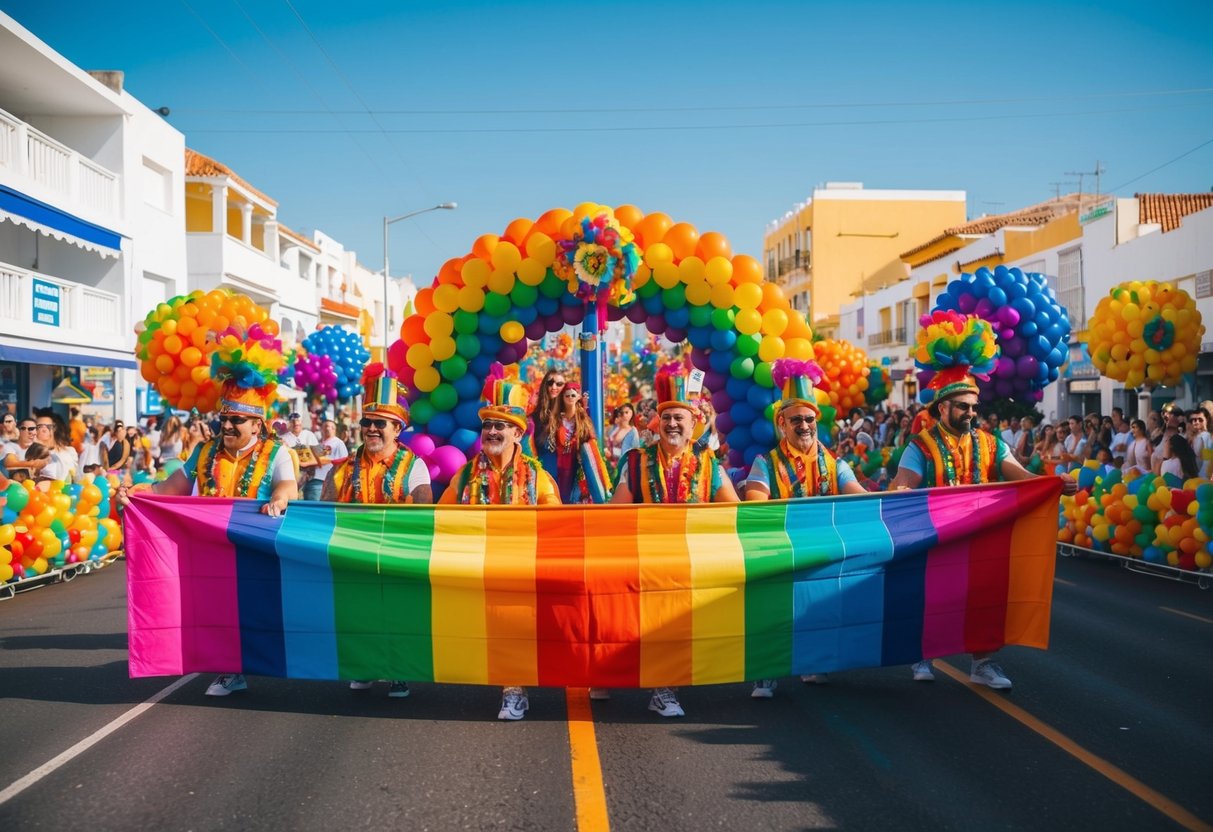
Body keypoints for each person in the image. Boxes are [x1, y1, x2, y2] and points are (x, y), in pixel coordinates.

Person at [116, 340, 297, 698]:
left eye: (236, 420)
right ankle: (230, 670)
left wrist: (278, 499)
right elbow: (171, 488)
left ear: (257, 425)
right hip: (207, 546)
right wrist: (137, 492)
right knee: (215, 610)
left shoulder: (278, 453)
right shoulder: (203, 451)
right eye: (224, 418)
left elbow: (287, 486)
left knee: (256, 613)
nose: (227, 425)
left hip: (255, 545)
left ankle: (257, 661)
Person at [889, 364, 1076, 690]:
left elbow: (1023, 478)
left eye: (974, 407)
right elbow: (903, 483)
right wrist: (901, 491)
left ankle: (983, 663)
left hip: (980, 536)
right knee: (932, 597)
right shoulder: (919, 446)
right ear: (942, 408)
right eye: (963, 406)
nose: (970, 413)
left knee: (985, 599)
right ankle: (923, 654)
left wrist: (1054, 483)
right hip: (934, 536)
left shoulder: (991, 443)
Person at [610, 363, 739, 717]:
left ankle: (664, 688)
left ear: (693, 424)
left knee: (676, 626)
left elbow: (734, 510)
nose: (672, 425)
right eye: (666, 418)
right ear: (657, 423)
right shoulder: (635, 462)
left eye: (679, 418)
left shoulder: (709, 464)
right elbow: (615, 512)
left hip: (690, 559)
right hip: (645, 557)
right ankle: (621, 675)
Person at [440, 371, 560, 720]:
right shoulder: (464, 475)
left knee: (514, 630)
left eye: (500, 426)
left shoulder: (538, 476)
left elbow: (553, 519)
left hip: (520, 567)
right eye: (488, 425)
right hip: (476, 566)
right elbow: (441, 518)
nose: (492, 432)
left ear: (518, 433)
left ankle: (514, 690)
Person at [745, 359, 865, 694]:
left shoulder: (835, 464)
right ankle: (766, 670)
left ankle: (813, 662)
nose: (805, 425)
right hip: (779, 550)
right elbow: (756, 500)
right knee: (772, 612)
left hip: (820, 551)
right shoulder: (764, 462)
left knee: (819, 608)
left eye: (809, 418)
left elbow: (858, 496)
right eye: (796, 419)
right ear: (781, 423)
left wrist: (893, 498)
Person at [323, 369, 430, 698]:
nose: (371, 428)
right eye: (367, 422)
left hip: (394, 554)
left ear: (396, 429)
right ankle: (365, 666)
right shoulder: (341, 468)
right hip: (352, 555)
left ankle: (399, 670)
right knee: (358, 615)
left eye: (379, 423)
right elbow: (324, 510)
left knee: (396, 615)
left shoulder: (415, 467)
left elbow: (424, 514)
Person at [535, 381, 611, 504]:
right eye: (567, 395)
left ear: (578, 397)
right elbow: (547, 440)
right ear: (562, 398)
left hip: (576, 464)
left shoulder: (583, 419)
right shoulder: (556, 419)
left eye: (573, 395)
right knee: (557, 493)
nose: (570, 398)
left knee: (574, 496)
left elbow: (590, 440)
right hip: (558, 463)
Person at [281, 411, 320, 498]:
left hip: (312, 477)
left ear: (301, 422)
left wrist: (306, 463)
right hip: (292, 475)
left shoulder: (309, 434)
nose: (296, 423)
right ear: (289, 424)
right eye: (293, 421)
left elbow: (320, 455)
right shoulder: (284, 438)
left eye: (298, 421)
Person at [311, 418, 348, 500]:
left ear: (334, 430)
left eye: (331, 427)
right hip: (315, 480)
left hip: (327, 481)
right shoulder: (319, 444)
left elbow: (344, 462)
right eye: (325, 426)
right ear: (321, 429)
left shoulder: (339, 443)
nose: (328, 428)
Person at [604, 403, 641, 469]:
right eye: (622, 413)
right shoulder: (616, 429)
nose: (624, 415)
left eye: (627, 412)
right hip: (612, 466)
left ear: (631, 414)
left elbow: (635, 451)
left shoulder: (633, 431)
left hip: (625, 468)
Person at [1186, 409, 1212, 479]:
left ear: (1207, 420)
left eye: (1200, 420)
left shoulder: (1206, 436)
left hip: (1203, 477)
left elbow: (1207, 459)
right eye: (1194, 420)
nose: (1196, 422)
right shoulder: (1193, 437)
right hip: (1195, 477)